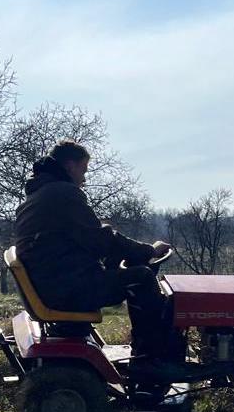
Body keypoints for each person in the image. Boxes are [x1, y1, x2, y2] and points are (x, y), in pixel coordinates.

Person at [12, 140, 180, 371]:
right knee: (142, 278)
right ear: (70, 166)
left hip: (54, 282)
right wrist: (149, 251)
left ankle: (148, 352)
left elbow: (91, 240)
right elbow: (102, 240)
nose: (84, 178)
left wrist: (121, 251)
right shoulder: (63, 193)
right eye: (83, 170)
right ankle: (152, 358)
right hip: (66, 289)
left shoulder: (39, 196)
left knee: (124, 268)